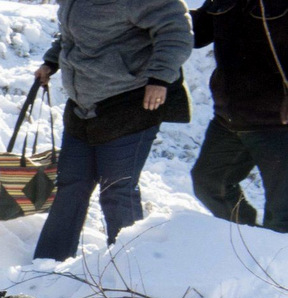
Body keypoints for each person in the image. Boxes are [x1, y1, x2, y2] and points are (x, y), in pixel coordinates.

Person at [32, 0, 194, 260]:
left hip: (129, 103)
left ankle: (128, 268)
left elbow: (175, 31)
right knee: (71, 185)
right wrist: (52, 61)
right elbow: (71, 34)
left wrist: (160, 78)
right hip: (82, 107)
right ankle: (47, 264)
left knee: (117, 190)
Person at [190, 0, 288, 233]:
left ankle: (275, 265)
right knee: (210, 183)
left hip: (278, 123)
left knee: (282, 212)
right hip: (230, 118)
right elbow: (197, 33)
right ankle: (248, 245)